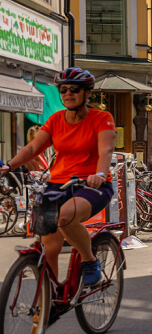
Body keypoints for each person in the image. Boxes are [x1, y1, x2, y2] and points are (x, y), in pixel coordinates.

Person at [1, 67, 115, 286]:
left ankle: (89, 260)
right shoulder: (55, 120)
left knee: (66, 216)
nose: (68, 94)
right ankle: (50, 299)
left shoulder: (102, 118)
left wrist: (99, 174)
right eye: (63, 90)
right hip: (57, 185)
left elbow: (106, 151)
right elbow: (33, 147)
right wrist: (9, 165)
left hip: (91, 185)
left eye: (74, 89)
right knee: (48, 249)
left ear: (87, 93)